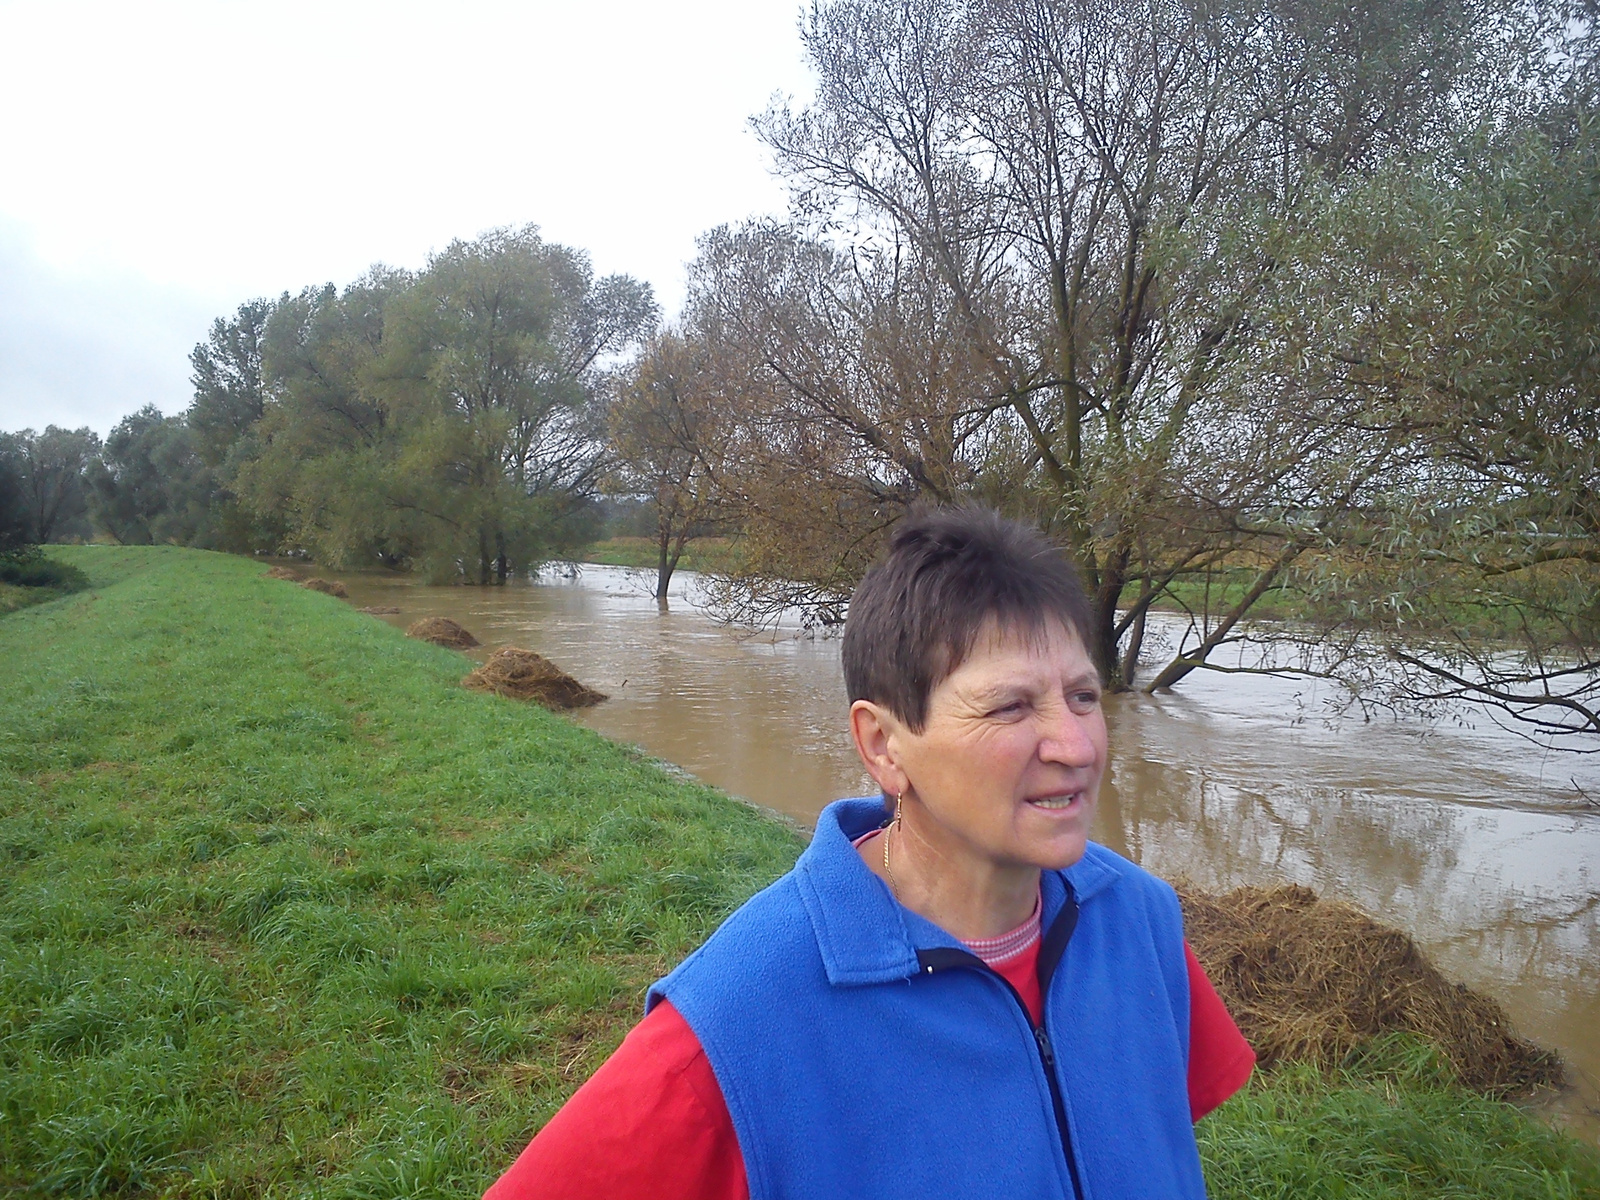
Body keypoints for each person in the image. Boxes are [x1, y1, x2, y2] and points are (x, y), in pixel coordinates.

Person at [486, 505, 1255, 1200]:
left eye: (1084, 696)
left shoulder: (1141, 922)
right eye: (1012, 705)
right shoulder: (735, 1024)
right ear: (884, 746)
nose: (1077, 742)